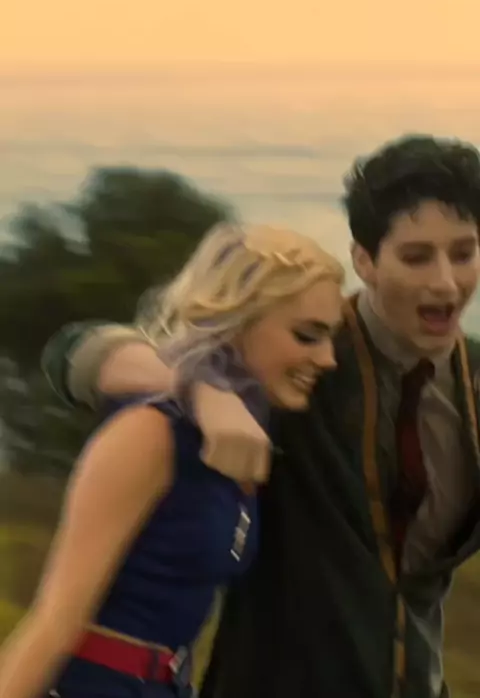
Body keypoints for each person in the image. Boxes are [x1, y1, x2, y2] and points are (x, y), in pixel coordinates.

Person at [41, 134, 480, 698]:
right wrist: (201, 387)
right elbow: (73, 351)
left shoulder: (472, 387)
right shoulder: (299, 360)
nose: (445, 282)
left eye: (464, 253)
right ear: (365, 261)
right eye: (416, 257)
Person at [0, 223, 345, 698]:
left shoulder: (249, 435)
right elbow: (54, 619)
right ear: (239, 320)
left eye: (330, 338)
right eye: (307, 335)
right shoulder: (151, 432)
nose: (328, 359)